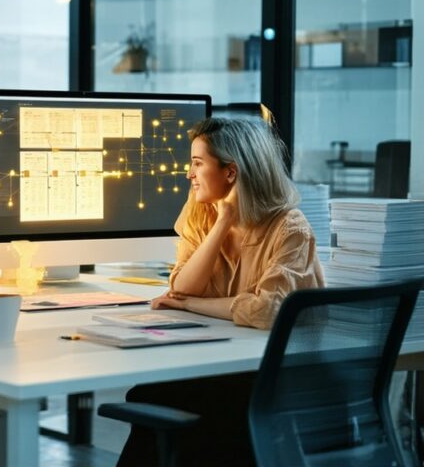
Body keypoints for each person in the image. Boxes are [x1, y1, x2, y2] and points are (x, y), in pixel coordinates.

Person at [117, 116, 325, 467]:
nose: (189, 174)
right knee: (154, 395)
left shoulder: (289, 227)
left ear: (231, 172)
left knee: (161, 398)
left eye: (198, 163)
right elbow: (182, 286)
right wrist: (224, 221)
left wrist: (192, 305)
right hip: (223, 362)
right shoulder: (202, 213)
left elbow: (266, 310)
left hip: (271, 375)